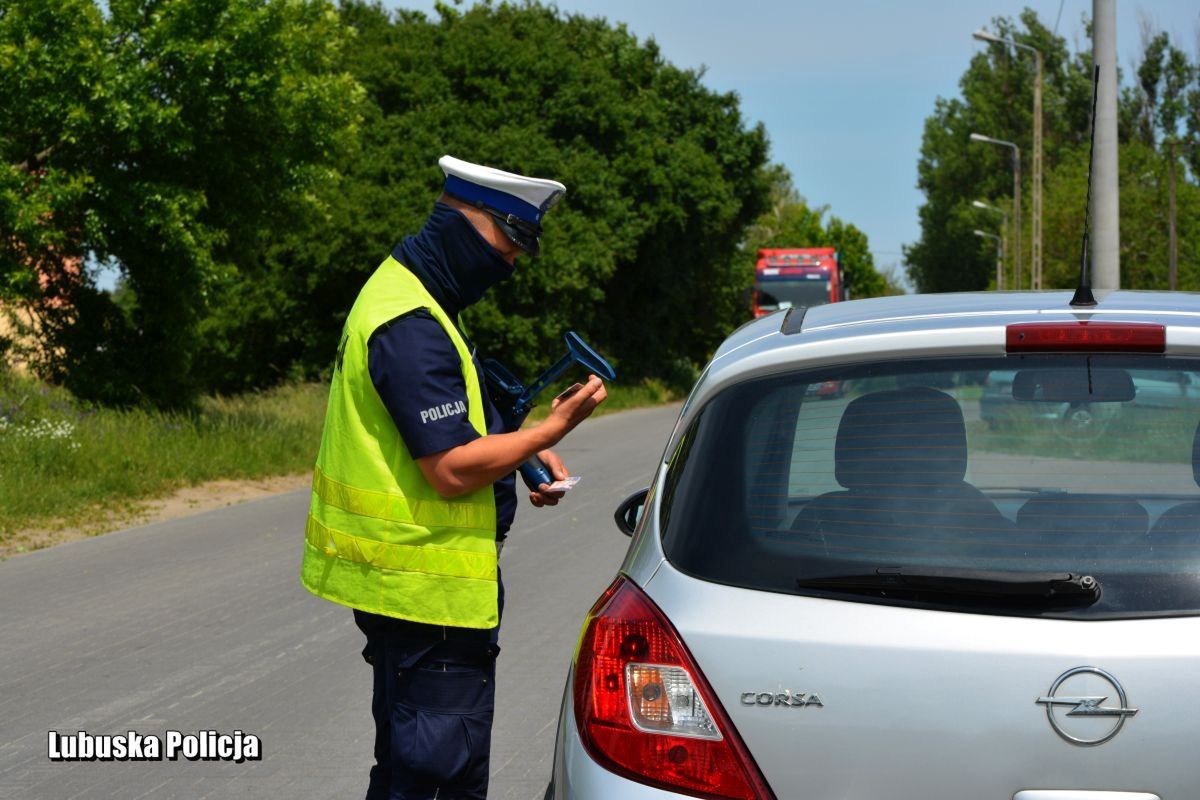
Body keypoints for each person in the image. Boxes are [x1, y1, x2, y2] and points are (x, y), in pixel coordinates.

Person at [300, 155, 606, 799]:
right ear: (466, 222)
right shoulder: (408, 322)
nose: (513, 262)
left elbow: (458, 432)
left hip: (426, 598)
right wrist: (551, 432)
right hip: (425, 599)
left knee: (422, 774)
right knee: (435, 781)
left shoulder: (422, 301)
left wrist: (523, 452)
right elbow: (446, 469)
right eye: (510, 242)